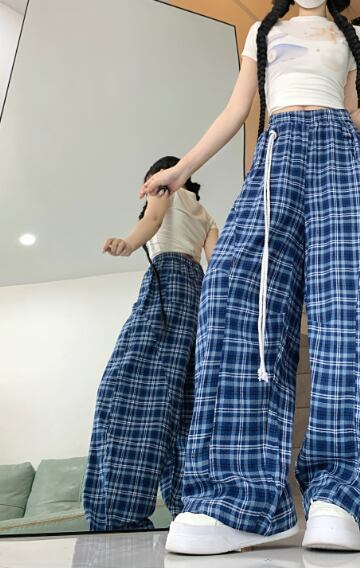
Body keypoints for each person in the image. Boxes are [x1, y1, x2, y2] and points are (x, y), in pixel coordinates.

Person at [141, 0, 360, 554]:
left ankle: (339, 497)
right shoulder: (262, 31)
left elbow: (350, 115)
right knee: (230, 298)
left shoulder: (357, 37)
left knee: (352, 310)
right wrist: (182, 170)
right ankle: (239, 498)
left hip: (343, 158)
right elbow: (237, 110)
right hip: (276, 155)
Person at [83, 156, 218, 531]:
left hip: (167, 284)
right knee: (185, 406)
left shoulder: (164, 188)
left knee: (128, 389)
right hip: (198, 297)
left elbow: (153, 220)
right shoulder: (206, 214)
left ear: (161, 176)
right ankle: (193, 513)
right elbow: (216, 264)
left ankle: (117, 515)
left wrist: (128, 243)